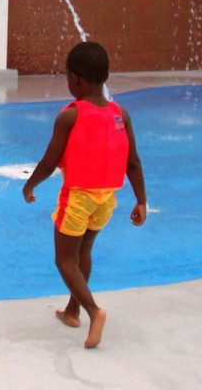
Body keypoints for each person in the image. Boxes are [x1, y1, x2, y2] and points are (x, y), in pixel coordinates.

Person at [21, 41, 147, 349]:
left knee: (64, 260)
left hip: (78, 198)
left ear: (76, 78)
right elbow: (132, 162)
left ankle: (93, 310)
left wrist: (29, 186)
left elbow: (50, 162)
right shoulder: (121, 114)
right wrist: (142, 200)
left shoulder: (71, 116)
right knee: (83, 253)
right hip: (107, 199)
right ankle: (72, 309)